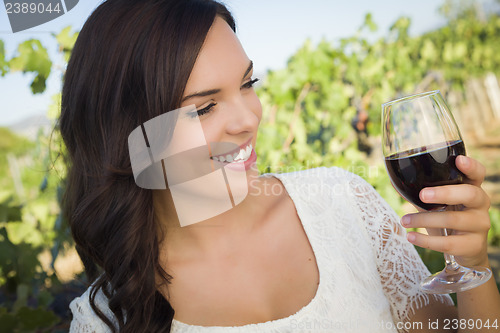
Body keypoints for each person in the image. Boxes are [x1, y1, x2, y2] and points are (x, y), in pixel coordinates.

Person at [60, 0, 500, 332]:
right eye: (205, 107)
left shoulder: (344, 203)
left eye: (248, 84)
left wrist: (475, 264)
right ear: (127, 138)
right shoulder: (104, 321)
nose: (250, 119)